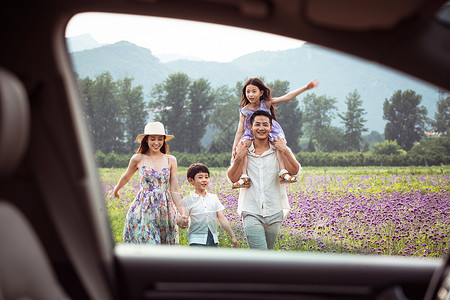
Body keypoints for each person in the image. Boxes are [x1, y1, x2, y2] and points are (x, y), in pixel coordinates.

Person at [227, 110, 301, 250]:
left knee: (268, 254)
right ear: (251, 126)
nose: (261, 128)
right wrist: (238, 158)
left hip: (275, 211)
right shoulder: (243, 148)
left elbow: (295, 172)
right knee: (260, 254)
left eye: (265, 124)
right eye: (257, 124)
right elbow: (232, 179)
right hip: (250, 211)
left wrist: (284, 150)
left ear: (271, 127)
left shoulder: (279, 148)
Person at [231, 77, 317, 188]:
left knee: (278, 145)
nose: (250, 94)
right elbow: (239, 130)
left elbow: (286, 97)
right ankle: (244, 176)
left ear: (261, 92)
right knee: (243, 146)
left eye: (254, 91)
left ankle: (283, 172)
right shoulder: (244, 110)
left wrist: (305, 88)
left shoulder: (266, 103)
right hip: (250, 132)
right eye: (248, 92)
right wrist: (235, 146)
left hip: (270, 130)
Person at [113, 122, 186, 245]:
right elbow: (126, 177)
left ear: (164, 140)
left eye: (160, 139)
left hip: (165, 210)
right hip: (144, 208)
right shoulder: (138, 158)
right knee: (149, 244)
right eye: (152, 139)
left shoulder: (171, 160)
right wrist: (116, 189)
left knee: (164, 250)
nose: (156, 143)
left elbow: (174, 190)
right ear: (146, 140)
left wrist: (183, 213)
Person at [182, 162, 239, 248]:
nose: (204, 180)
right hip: (196, 239)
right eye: (200, 177)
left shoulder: (214, 198)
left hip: (212, 238)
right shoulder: (188, 200)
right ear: (191, 180)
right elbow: (183, 218)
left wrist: (232, 236)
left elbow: (222, 218)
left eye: (206, 177)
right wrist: (181, 221)